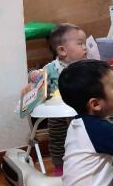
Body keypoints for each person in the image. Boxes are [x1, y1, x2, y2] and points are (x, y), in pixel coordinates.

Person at [28, 23, 87, 176]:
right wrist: (35, 77)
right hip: (58, 114)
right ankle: (60, 168)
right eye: (80, 43)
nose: (85, 48)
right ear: (62, 50)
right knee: (58, 140)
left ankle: (86, 164)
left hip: (82, 112)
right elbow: (38, 86)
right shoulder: (51, 69)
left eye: (85, 43)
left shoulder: (87, 67)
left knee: (86, 136)